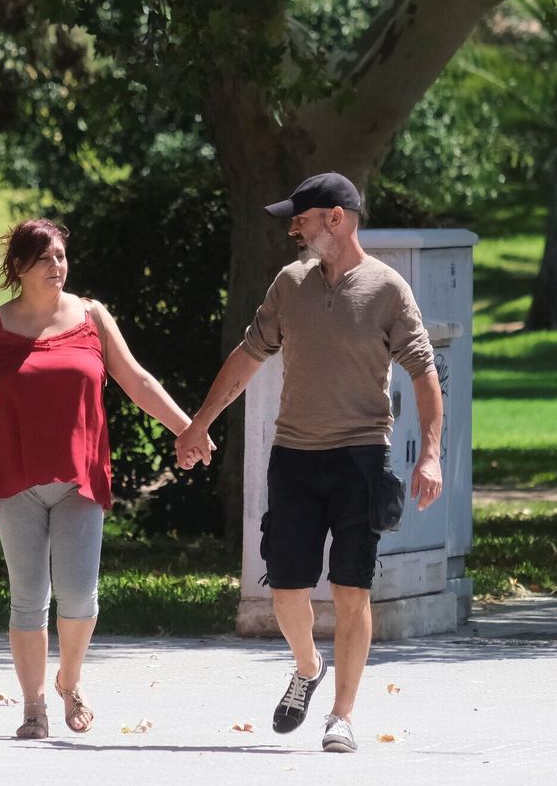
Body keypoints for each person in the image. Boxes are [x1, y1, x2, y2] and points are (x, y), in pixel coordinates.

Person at [175, 173, 443, 756]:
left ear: (336, 219)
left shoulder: (387, 290)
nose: (293, 227)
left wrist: (430, 454)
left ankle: (342, 716)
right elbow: (249, 356)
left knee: (352, 589)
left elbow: (423, 372)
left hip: (360, 458)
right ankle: (307, 664)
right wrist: (199, 423)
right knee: (287, 587)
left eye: (301, 217)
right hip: (294, 455)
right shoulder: (289, 284)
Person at [0, 218, 193, 740]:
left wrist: (187, 428)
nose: (57, 266)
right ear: (19, 268)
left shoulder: (92, 317)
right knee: (28, 597)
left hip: (80, 476)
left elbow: (137, 379)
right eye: (45, 259)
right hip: (16, 478)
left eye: (60, 256)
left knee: (79, 596)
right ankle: (34, 707)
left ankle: (68, 681)